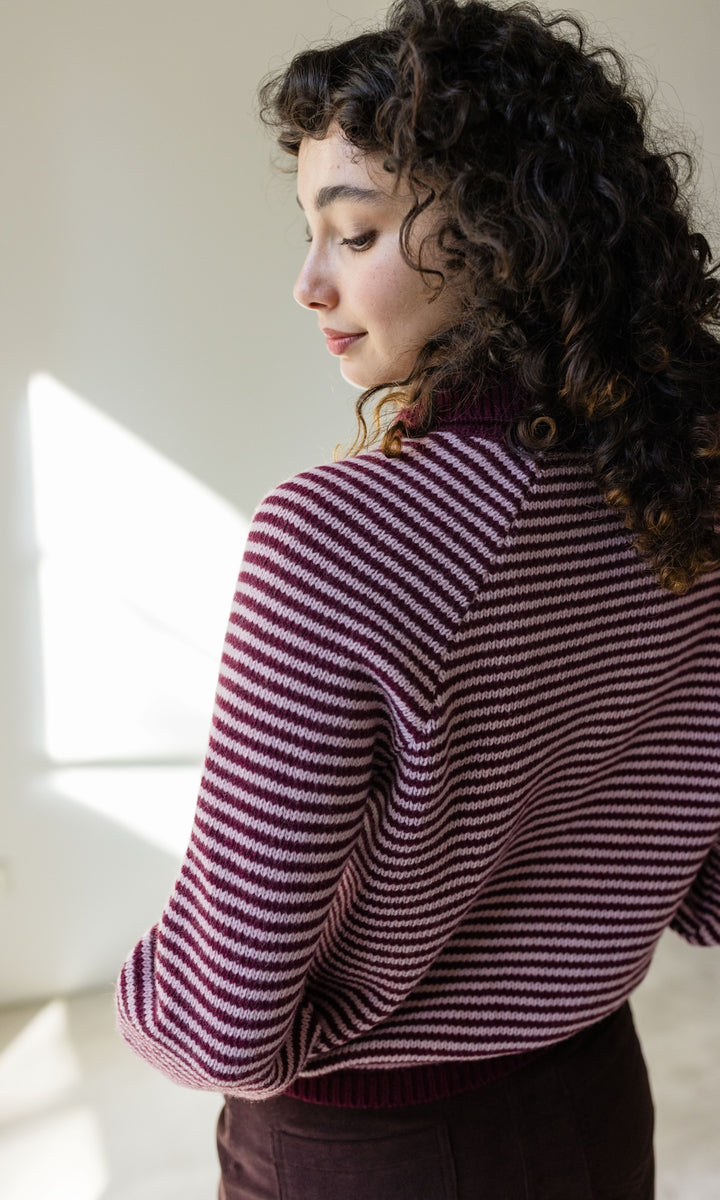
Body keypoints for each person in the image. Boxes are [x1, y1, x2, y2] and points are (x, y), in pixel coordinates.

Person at [114, 1, 720, 1196]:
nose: (307, 282)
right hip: (594, 1098)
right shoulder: (691, 490)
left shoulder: (335, 536)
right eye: (307, 234)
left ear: (504, 232)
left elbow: (217, 1015)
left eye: (355, 231)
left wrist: (146, 997)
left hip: (368, 1147)